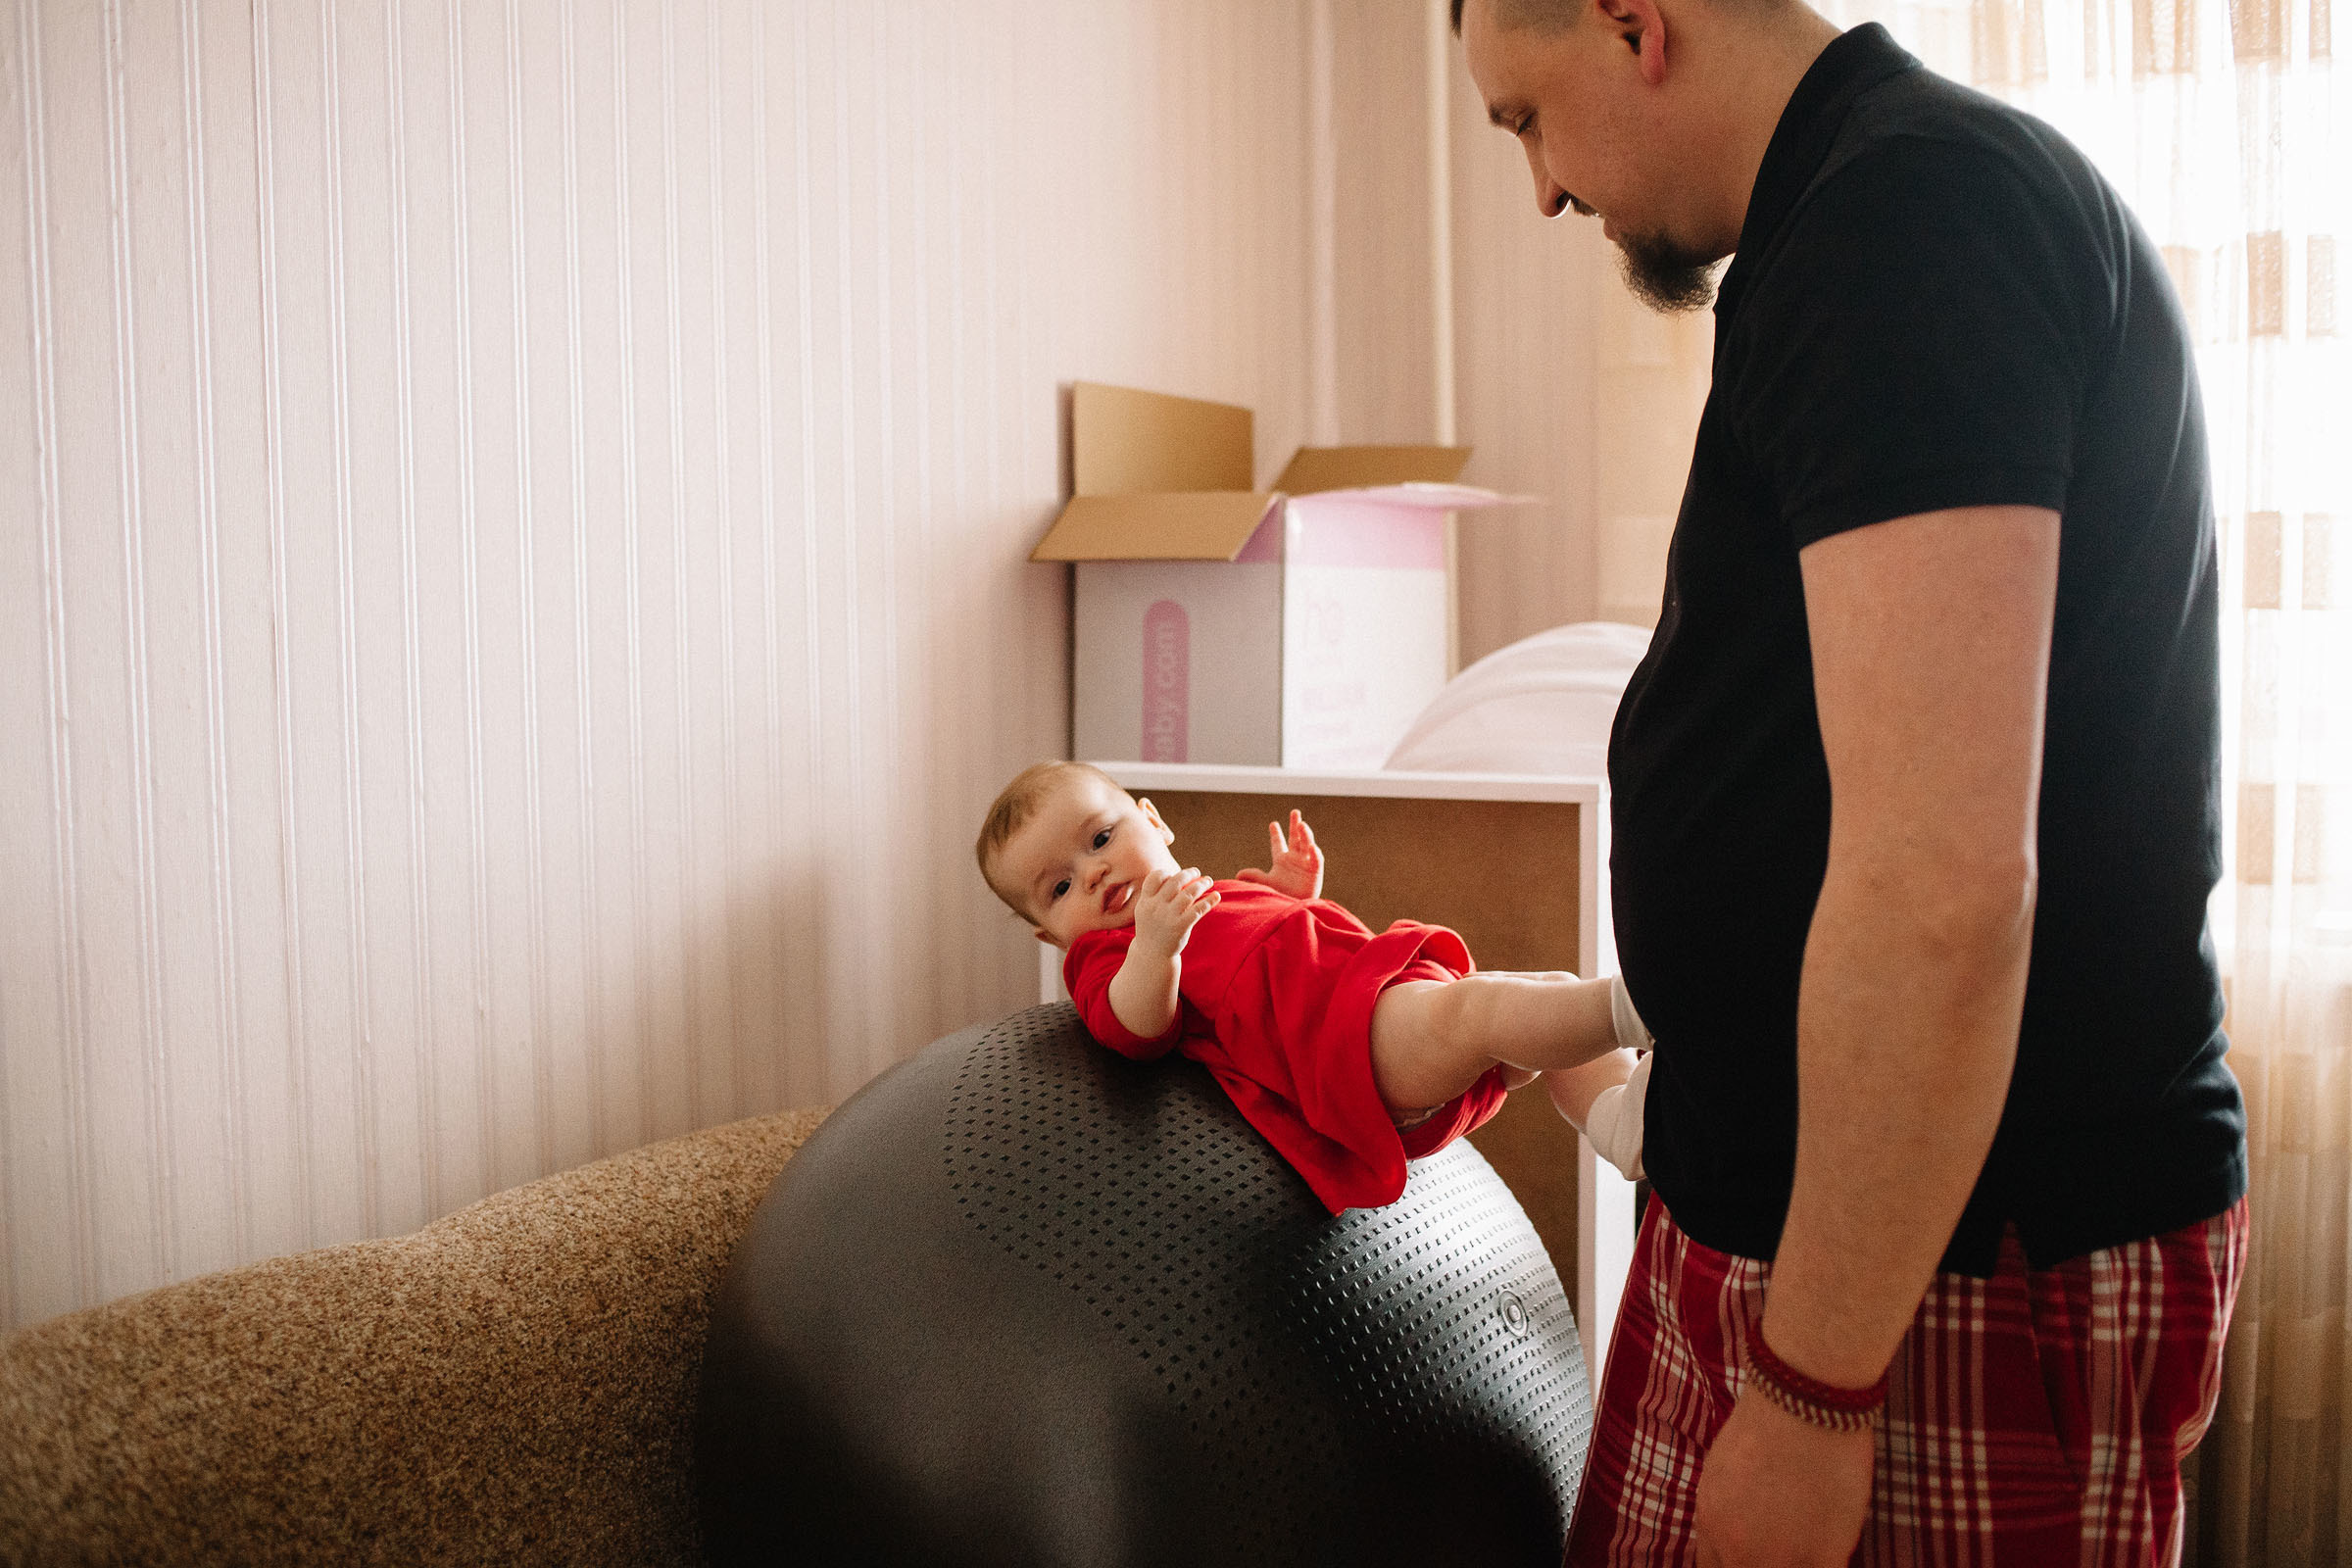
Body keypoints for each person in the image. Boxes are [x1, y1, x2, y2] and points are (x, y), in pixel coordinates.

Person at [1452, 0, 2249, 1563]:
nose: (1541, 189)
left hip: (1930, 1283)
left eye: (1527, 118)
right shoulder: (1856, 219)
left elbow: (1941, 884)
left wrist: (1813, 1395)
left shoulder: (1910, 221)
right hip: (1828, 1245)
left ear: (1635, 25)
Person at [975, 760, 1642, 1212]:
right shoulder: (1112, 955)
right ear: (1051, 936)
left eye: (1099, 837)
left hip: (1385, 997)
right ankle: (1646, 1004)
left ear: (1154, 821)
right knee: (1488, 1009)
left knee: (1545, 992)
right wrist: (1154, 948)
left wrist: (1295, 896)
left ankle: (1615, 1121)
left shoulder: (1215, 894)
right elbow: (1133, 1028)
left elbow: (1286, 954)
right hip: (1347, 1058)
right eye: (1059, 888)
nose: (1090, 874)